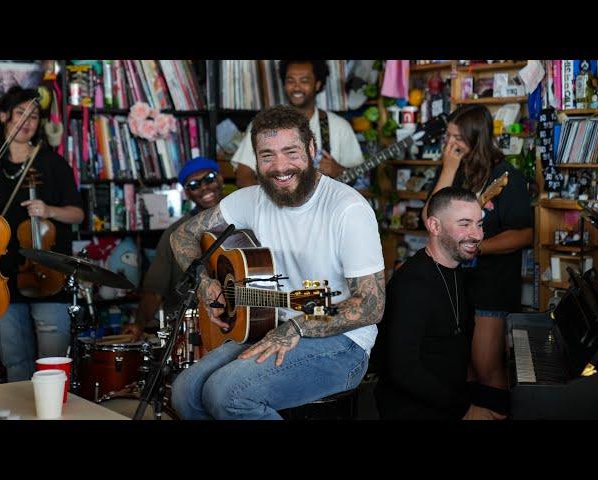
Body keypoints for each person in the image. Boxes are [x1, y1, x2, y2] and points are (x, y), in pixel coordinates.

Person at [169, 104, 385, 420]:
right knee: (184, 392)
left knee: (226, 394)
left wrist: (298, 325)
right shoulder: (250, 199)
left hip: (343, 343)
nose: (280, 166)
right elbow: (182, 236)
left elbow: (371, 306)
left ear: (312, 149)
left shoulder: (347, 209)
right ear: (255, 159)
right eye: (267, 155)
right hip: (271, 324)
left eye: (291, 152)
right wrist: (205, 282)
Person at [422, 105, 533, 413]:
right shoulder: (453, 167)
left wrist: (478, 247)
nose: (450, 144)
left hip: (492, 284)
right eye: (449, 136)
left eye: (458, 137)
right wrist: (448, 167)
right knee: (463, 365)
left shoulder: (507, 175)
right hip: (458, 284)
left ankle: (497, 413)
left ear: (476, 138)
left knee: (487, 365)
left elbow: (524, 235)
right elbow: (429, 219)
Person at [0, 86, 84, 383]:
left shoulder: (53, 162)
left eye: (34, 116)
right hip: (1, 278)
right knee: (15, 362)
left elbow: (78, 213)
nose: (28, 121)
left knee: (53, 364)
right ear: (5, 116)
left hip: (47, 275)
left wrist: (49, 210)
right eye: (21, 113)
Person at [375, 186, 505, 420]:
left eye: (479, 224)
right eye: (464, 224)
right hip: (412, 407)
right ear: (434, 226)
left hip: (447, 395)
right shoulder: (413, 284)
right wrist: (466, 410)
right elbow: (403, 369)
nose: (476, 235)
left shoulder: (456, 270)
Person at [123, 157, 224, 341]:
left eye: (209, 178)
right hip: (191, 329)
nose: (204, 188)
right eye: (194, 185)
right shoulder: (175, 234)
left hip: (240, 319)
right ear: (187, 193)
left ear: (221, 178)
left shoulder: (244, 218)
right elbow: (154, 291)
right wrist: (139, 323)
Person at [231, 60, 364, 188]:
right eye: (290, 80)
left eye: (304, 80)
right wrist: (269, 205)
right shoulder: (264, 124)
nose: (296, 87)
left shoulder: (339, 127)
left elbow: (361, 180)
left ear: (317, 84)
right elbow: (243, 176)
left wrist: (338, 170)